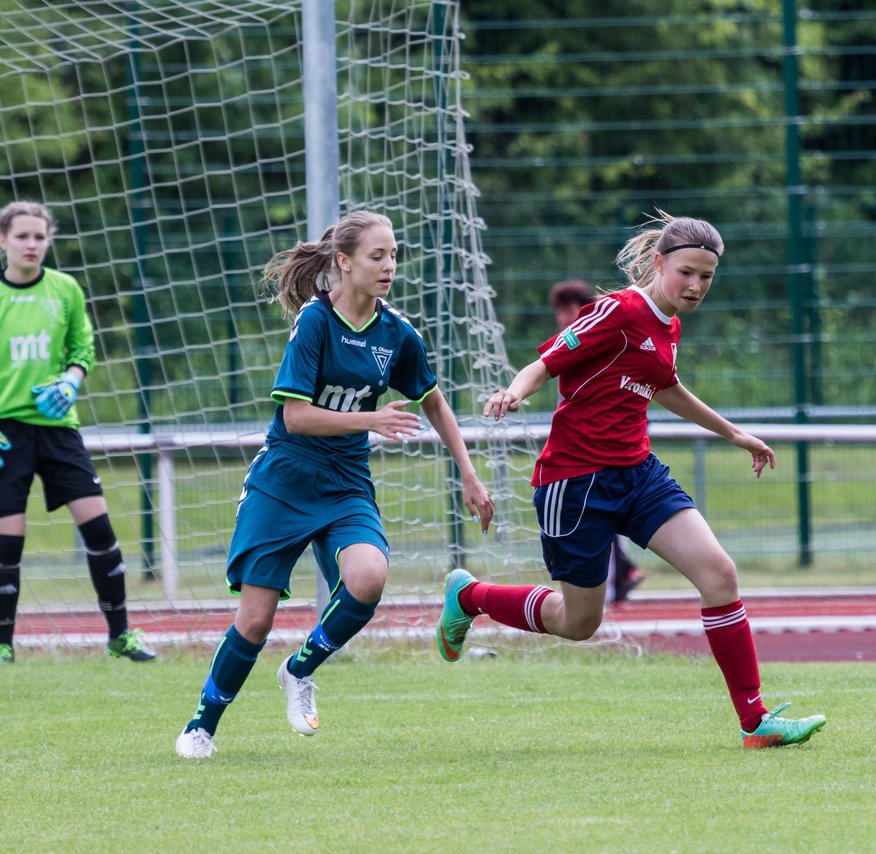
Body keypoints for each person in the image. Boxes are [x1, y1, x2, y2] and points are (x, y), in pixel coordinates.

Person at [439, 212, 825, 748]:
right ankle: (471, 596)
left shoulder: (669, 325)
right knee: (578, 624)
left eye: (706, 277)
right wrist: (513, 392)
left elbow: (667, 388)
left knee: (718, 574)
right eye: (686, 272)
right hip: (575, 485)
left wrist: (734, 434)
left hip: (639, 475)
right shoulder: (617, 311)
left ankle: (756, 722)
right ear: (658, 263)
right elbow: (547, 362)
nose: (695, 286)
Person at [175, 210, 494, 759]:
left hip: (345, 481)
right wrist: (372, 420)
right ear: (343, 262)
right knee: (254, 619)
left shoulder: (397, 333)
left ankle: (299, 671)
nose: (390, 265)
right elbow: (296, 418)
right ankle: (202, 725)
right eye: (377, 255)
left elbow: (434, 402)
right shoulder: (315, 322)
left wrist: (469, 473)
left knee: (369, 577)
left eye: (394, 254)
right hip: (285, 478)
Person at [0, 200, 156, 664]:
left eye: (39, 236)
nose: (31, 244)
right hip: (7, 432)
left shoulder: (65, 289)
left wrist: (70, 381)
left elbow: (82, 346)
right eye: (22, 236)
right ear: (3, 240)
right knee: (7, 543)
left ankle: (120, 635)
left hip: (58, 431)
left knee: (100, 531)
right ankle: (3, 643)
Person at [548, 278, 645, 604]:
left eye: (569, 310)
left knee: (610, 517)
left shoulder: (611, 331)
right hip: (587, 454)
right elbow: (545, 367)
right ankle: (623, 571)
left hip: (617, 449)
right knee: (600, 519)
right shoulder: (571, 342)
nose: (563, 318)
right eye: (559, 312)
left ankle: (620, 578)